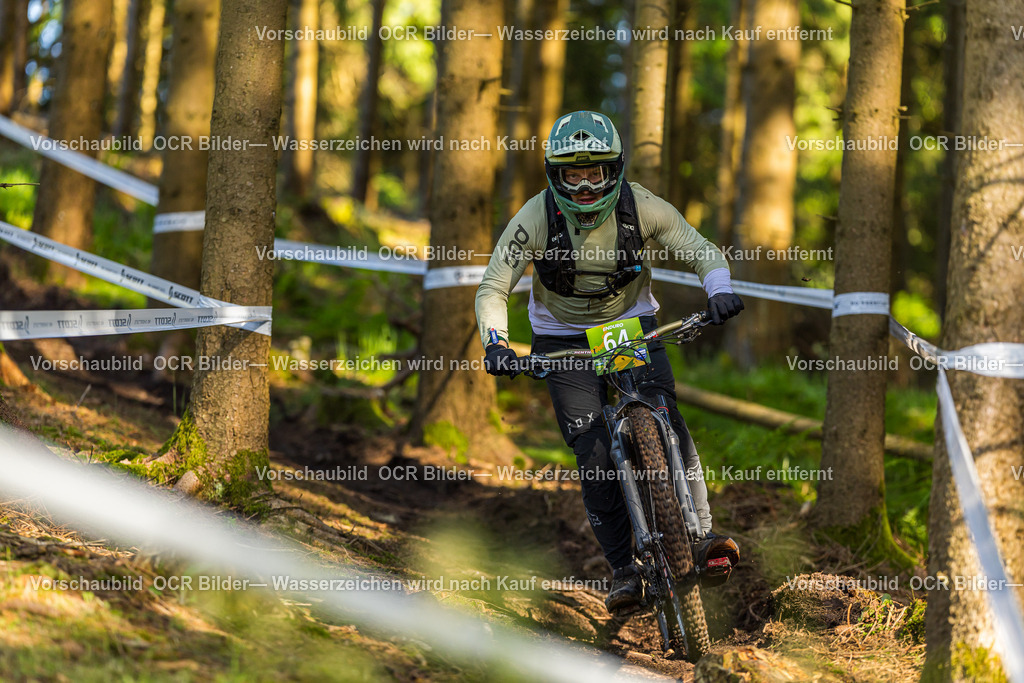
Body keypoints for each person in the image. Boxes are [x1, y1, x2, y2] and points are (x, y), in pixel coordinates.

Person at [475, 110, 743, 614]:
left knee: (668, 419)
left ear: (612, 169)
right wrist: (496, 341)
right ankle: (623, 568)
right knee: (595, 452)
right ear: (554, 175)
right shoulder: (534, 217)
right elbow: (493, 286)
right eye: (570, 173)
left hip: (629, 325)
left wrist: (720, 290)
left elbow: (702, 250)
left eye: (593, 171)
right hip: (561, 337)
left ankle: (703, 536)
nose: (582, 185)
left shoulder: (644, 207)